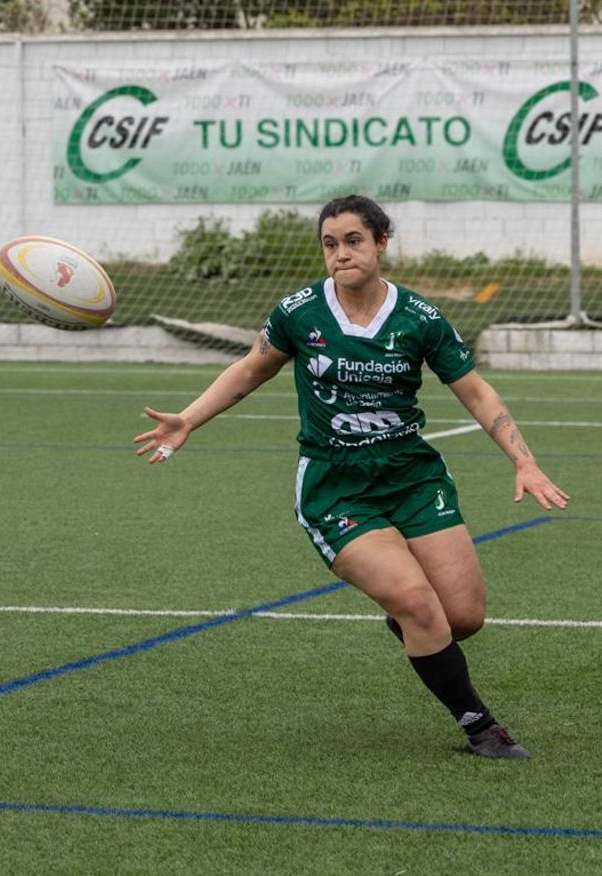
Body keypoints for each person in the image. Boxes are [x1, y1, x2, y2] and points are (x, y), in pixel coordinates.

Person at [134, 194, 568, 760]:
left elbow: (477, 392)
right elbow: (249, 369)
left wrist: (524, 459)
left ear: (381, 242)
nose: (341, 253)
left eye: (354, 241)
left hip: (412, 477)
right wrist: (187, 419)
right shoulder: (298, 313)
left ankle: (420, 630)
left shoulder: (419, 319)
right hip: (336, 488)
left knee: (463, 616)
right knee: (418, 602)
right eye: (330, 244)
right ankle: (480, 727)